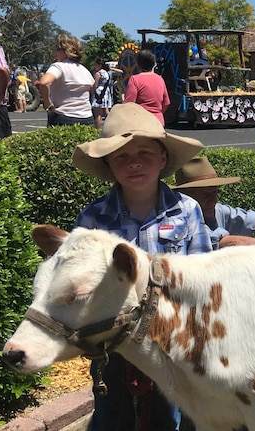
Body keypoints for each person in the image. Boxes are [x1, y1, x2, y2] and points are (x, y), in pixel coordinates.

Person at [72, 102, 211, 431]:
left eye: (145, 154)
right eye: (121, 156)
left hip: (170, 338)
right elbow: (82, 283)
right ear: (109, 164)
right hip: (112, 342)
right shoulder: (92, 220)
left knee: (170, 415)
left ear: (163, 159)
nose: (134, 163)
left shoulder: (186, 211)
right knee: (110, 413)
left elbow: (202, 276)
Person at [172, 156, 255, 249]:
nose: (213, 198)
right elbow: (226, 241)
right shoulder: (183, 219)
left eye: (214, 192)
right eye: (205, 194)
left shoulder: (216, 210)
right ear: (186, 196)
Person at [38, 34, 94, 127]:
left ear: (66, 51)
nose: (55, 52)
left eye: (57, 49)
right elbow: (92, 88)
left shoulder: (59, 66)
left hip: (64, 117)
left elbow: (44, 82)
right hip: (87, 118)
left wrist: (48, 104)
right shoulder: (84, 69)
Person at [124, 49, 170, 126]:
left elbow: (129, 104)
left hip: (141, 122)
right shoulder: (160, 79)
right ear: (153, 64)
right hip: (158, 121)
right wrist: (158, 113)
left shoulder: (134, 79)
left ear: (138, 64)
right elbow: (166, 103)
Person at [91, 59, 114, 128]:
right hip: (106, 92)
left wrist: (92, 91)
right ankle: (112, 126)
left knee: (98, 114)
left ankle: (97, 130)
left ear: (99, 65)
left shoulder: (98, 73)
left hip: (99, 92)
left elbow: (95, 85)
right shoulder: (107, 73)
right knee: (106, 111)